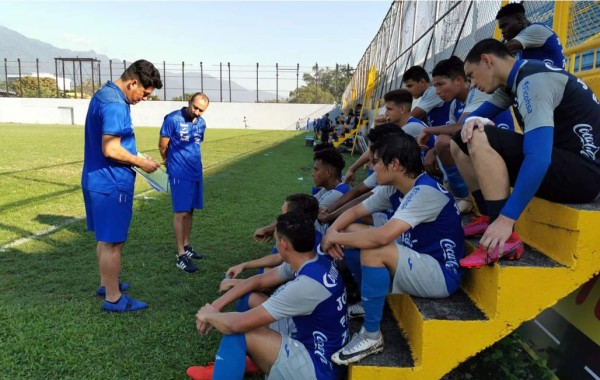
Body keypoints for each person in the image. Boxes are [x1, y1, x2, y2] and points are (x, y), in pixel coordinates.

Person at [451, 38, 600, 268]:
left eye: (471, 75)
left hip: (584, 175)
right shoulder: (517, 79)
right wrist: (472, 120)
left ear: (486, 60)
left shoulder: (533, 81)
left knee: (480, 137)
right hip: (566, 163)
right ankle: (487, 216)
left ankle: (505, 236)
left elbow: (539, 158)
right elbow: (473, 118)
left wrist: (507, 218)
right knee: (460, 139)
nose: (472, 84)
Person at [321, 129, 465, 364]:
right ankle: (367, 304)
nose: (372, 167)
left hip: (441, 275)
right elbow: (356, 211)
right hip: (417, 259)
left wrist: (333, 239)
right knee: (352, 230)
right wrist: (333, 232)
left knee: (374, 247)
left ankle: (371, 335)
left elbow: (382, 237)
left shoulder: (425, 191)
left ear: (395, 164)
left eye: (375, 162)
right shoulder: (394, 186)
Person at [188, 212, 348, 380]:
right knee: (248, 297)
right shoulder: (312, 260)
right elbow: (259, 280)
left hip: (319, 370)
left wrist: (209, 314)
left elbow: (236, 324)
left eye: (275, 240)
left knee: (239, 332)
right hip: (315, 345)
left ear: (284, 245)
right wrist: (216, 305)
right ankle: (242, 359)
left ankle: (230, 364)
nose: (275, 245)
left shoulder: (306, 285)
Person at [81, 59, 163, 312]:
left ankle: (107, 284)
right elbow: (111, 148)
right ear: (133, 82)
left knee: (106, 240)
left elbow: (117, 142)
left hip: (99, 180)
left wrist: (138, 156)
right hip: (111, 184)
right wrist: (140, 162)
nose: (144, 98)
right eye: (145, 93)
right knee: (113, 243)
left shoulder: (105, 94)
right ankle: (114, 298)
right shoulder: (116, 104)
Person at [418, 56, 515, 213]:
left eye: (441, 84)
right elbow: (452, 132)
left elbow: (460, 127)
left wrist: (427, 131)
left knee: (448, 140)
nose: (437, 91)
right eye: (435, 86)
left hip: (501, 154)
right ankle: (463, 197)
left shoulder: (479, 91)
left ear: (458, 80)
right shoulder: (455, 104)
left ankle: (472, 201)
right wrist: (433, 151)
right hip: (481, 152)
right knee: (443, 142)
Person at [159, 92, 210, 273]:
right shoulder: (172, 119)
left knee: (190, 210)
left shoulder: (202, 124)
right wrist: (168, 162)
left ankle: (187, 247)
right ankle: (180, 255)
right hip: (179, 172)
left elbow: (196, 145)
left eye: (201, 110)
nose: (197, 112)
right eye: (195, 107)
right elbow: (162, 145)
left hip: (195, 171)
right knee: (181, 213)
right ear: (189, 102)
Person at [344, 89, 427, 185]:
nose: (386, 113)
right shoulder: (405, 126)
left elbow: (373, 153)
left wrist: (352, 169)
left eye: (389, 109)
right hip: (416, 176)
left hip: (425, 178)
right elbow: (373, 151)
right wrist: (377, 128)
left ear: (402, 109)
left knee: (376, 164)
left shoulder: (410, 127)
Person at [496, 2, 565, 69]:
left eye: (504, 26)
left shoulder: (536, 29)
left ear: (519, 19)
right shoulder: (527, 41)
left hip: (552, 79)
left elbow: (501, 51)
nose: (502, 32)